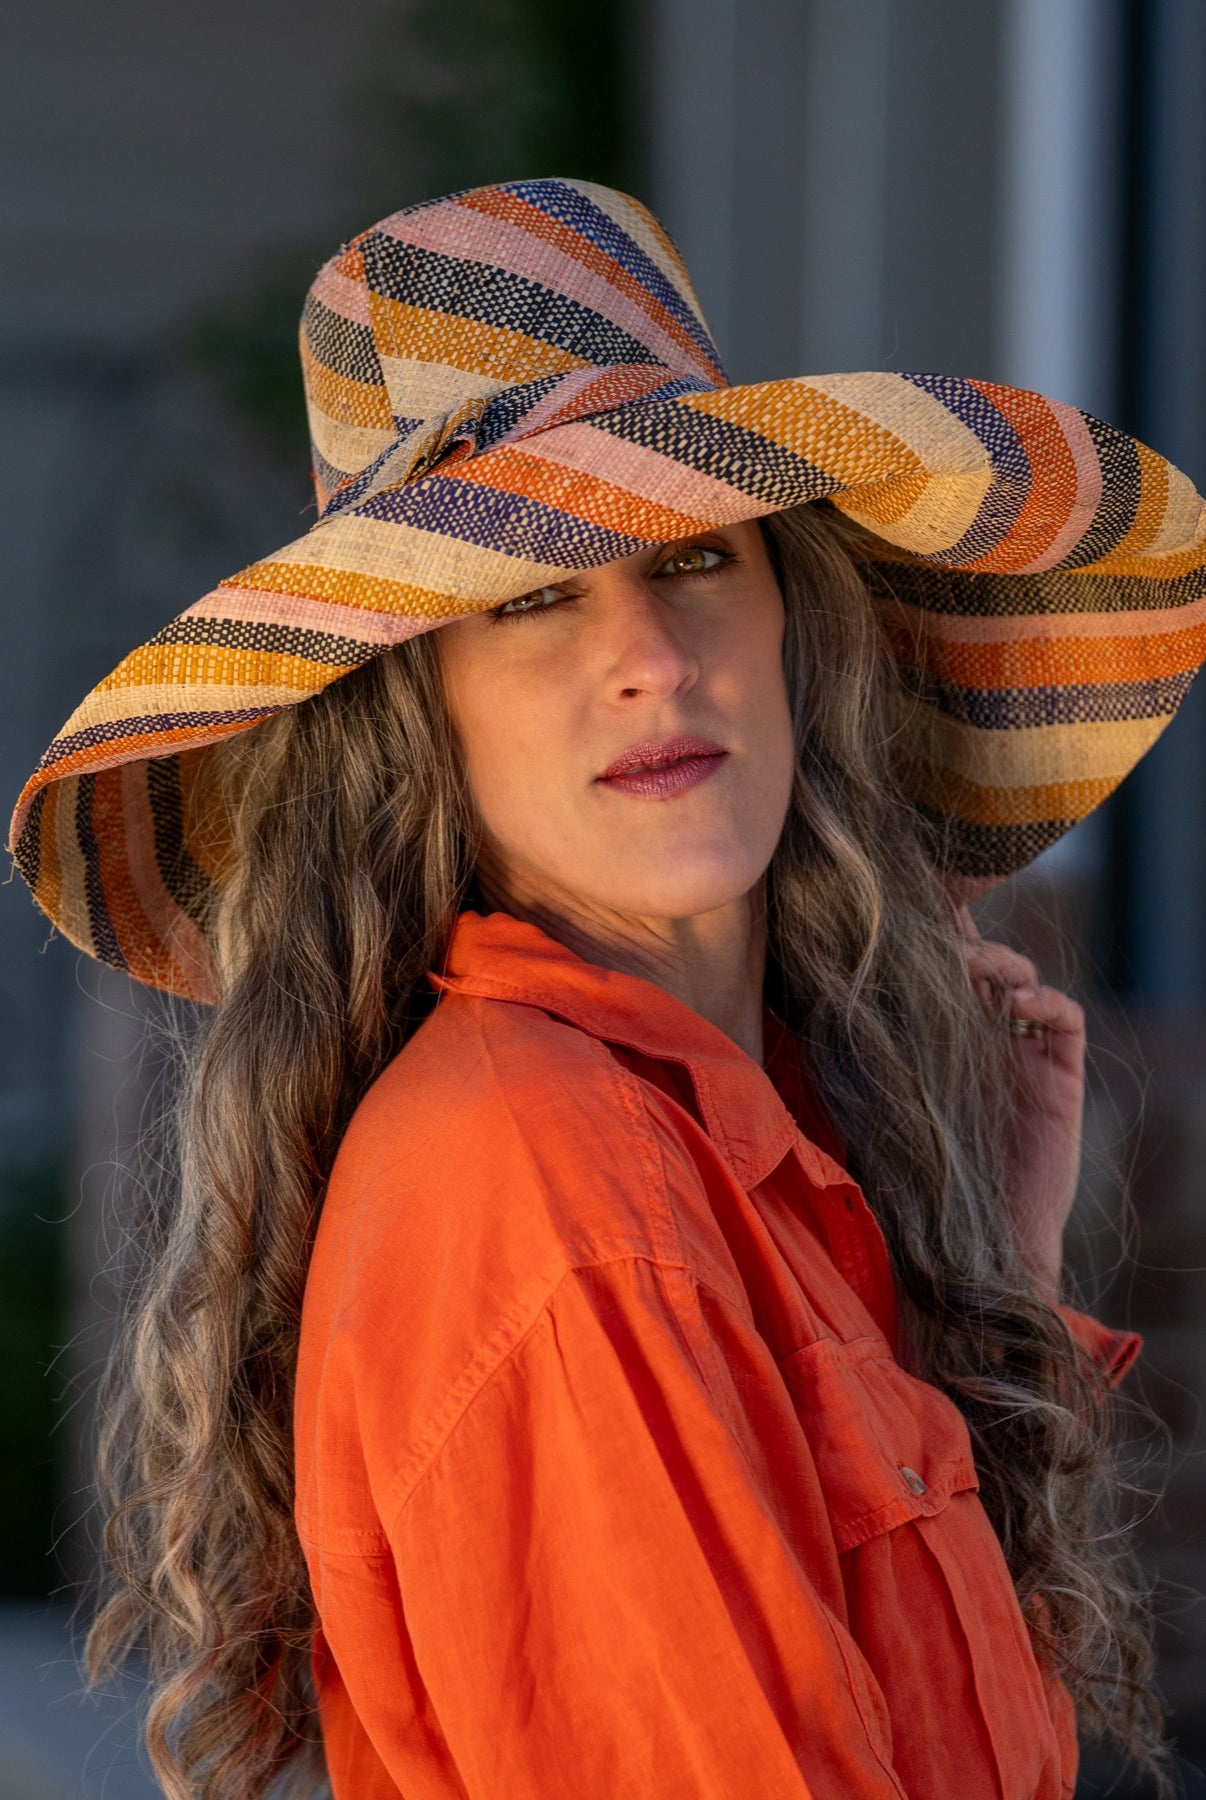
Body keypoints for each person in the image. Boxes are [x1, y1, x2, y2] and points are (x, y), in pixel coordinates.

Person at [10, 177, 1205, 1800]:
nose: (650, 655)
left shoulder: (728, 1152)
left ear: (796, 627)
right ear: (416, 715)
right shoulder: (564, 1186)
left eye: (695, 556)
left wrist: (975, 1283)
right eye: (531, 600)